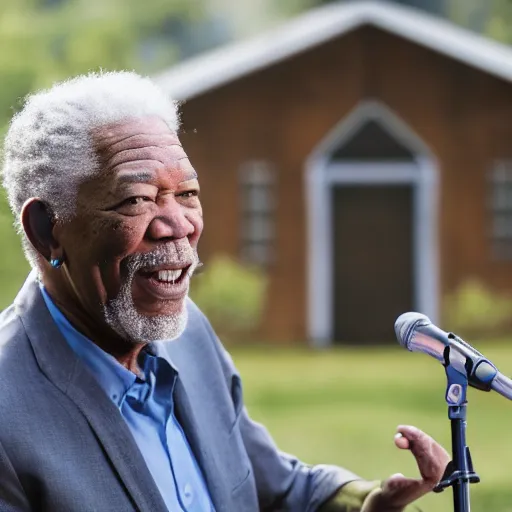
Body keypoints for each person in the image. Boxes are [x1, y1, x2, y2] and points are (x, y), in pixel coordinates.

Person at [0, 71, 449, 512]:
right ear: (47, 230)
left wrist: (366, 501)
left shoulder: (190, 333)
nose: (179, 225)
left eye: (188, 193)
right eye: (136, 199)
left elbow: (272, 487)